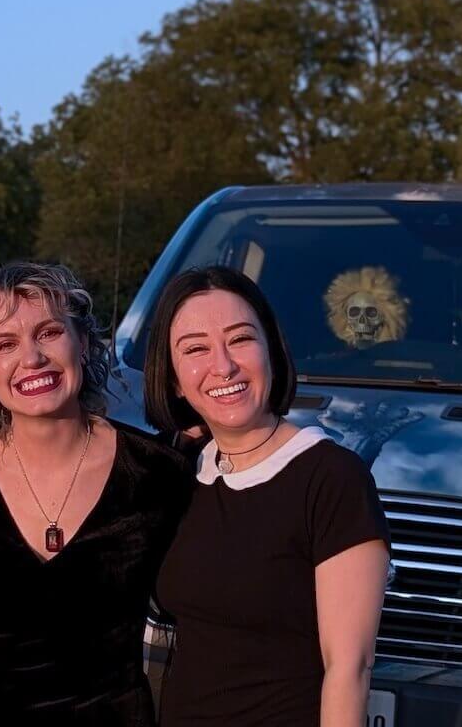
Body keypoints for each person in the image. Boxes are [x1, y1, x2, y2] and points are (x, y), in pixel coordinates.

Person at [0, 262, 192, 725]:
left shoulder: (158, 472)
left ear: (82, 341)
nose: (32, 358)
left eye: (49, 332)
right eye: (5, 344)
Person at [144, 266, 389, 727]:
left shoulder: (332, 478)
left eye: (240, 339)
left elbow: (349, 670)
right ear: (173, 377)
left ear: (272, 351)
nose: (223, 366)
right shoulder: (180, 470)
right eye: (195, 349)